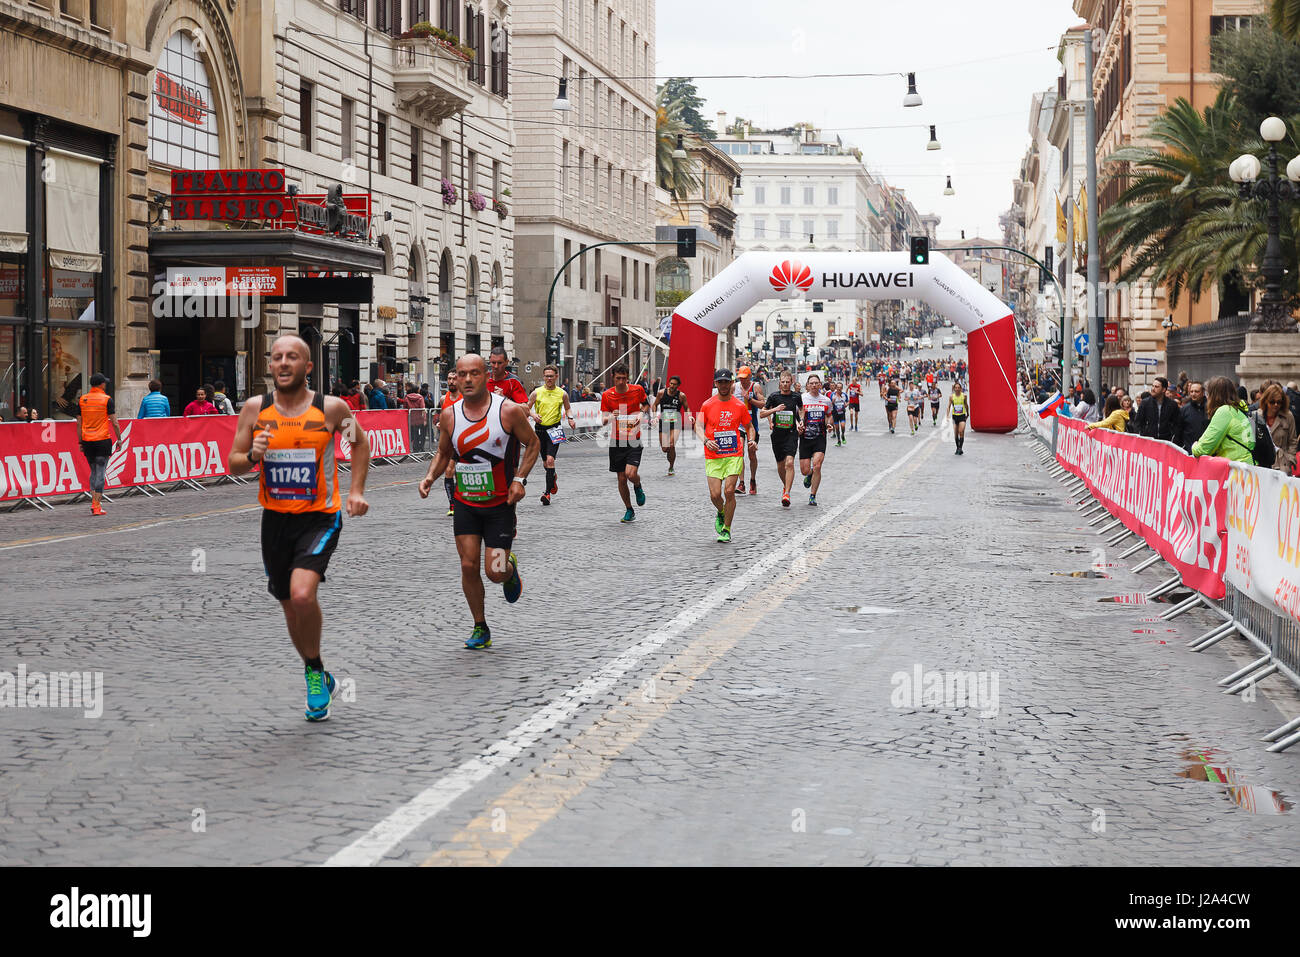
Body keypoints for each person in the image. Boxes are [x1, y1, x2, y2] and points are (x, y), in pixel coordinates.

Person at [228, 335, 371, 721]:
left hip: (320, 516)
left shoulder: (331, 408)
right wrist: (252, 456)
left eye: (293, 357)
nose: (284, 363)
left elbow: (360, 442)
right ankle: (317, 668)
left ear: (308, 367)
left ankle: (311, 674)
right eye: (277, 358)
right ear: (270, 367)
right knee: (290, 606)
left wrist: (356, 490)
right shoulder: (255, 409)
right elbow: (233, 462)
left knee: (303, 595)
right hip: (274, 519)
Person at [418, 354, 538, 650]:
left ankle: (508, 569)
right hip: (466, 503)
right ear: (456, 379)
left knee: (493, 572)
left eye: (474, 373)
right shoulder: (449, 414)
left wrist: (519, 480)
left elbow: (533, 443)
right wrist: (430, 477)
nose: (468, 379)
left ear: (486, 376)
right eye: (462, 374)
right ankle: (480, 626)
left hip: (500, 505)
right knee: (468, 565)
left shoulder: (507, 411)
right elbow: (444, 452)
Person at [694, 368, 756, 543]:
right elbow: (698, 426)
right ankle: (721, 512)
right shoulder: (707, 404)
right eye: (719, 382)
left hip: (733, 454)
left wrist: (751, 440)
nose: (723, 385)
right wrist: (706, 441)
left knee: (729, 491)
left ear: (731, 383)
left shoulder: (739, 405)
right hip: (713, 454)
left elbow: (749, 427)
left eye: (726, 382)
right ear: (716, 384)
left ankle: (726, 529)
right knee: (715, 495)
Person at [600, 363, 649, 523]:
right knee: (621, 478)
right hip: (616, 441)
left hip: (634, 438)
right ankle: (629, 509)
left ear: (627, 378)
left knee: (630, 474)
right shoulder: (607, 395)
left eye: (624, 378)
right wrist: (610, 417)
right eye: (618, 378)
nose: (621, 381)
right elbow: (603, 420)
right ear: (613, 378)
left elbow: (646, 404)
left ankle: (637, 485)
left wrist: (641, 415)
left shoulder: (637, 390)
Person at [526, 364, 575, 505]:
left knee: (550, 460)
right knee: (545, 463)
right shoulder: (536, 392)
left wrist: (570, 418)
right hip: (540, 431)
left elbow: (568, 408)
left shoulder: (562, 393)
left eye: (551, 376)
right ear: (543, 377)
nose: (548, 378)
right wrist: (533, 415)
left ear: (556, 377)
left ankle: (547, 494)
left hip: (555, 430)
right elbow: (526, 407)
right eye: (546, 376)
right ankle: (552, 477)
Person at [76, 373, 122, 517]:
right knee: (101, 472)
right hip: (102, 439)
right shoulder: (107, 399)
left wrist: (80, 441)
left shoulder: (83, 399)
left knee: (94, 472)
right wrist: (119, 438)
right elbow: (114, 422)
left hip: (87, 440)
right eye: (105, 383)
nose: (106, 385)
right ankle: (96, 505)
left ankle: (94, 502)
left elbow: (79, 423)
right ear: (101, 384)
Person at [759, 369, 803, 507]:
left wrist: (801, 420)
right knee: (780, 465)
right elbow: (762, 414)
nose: (785, 384)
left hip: (791, 433)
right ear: (779, 383)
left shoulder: (796, 396)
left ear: (791, 382)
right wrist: (775, 410)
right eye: (782, 382)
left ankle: (787, 493)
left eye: (787, 382)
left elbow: (801, 409)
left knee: (789, 463)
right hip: (777, 435)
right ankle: (786, 486)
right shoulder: (773, 396)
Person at [1192, 376, 1255, 463]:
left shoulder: (1225, 411)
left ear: (1213, 396)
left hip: (1236, 470)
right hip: (1244, 467)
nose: (1207, 398)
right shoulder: (1236, 409)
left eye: (1208, 394)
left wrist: (1194, 446)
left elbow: (1204, 448)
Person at [798, 374, 833, 506]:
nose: (814, 385)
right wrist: (798, 426)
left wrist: (829, 424)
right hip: (805, 437)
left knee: (817, 465)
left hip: (820, 437)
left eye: (816, 383)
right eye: (811, 383)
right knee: (805, 470)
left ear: (820, 385)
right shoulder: (801, 399)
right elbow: (796, 416)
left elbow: (829, 415)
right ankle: (809, 474)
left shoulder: (826, 400)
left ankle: (813, 495)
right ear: (807, 385)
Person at [735, 366, 764, 494]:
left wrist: (749, 399)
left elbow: (763, 404)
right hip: (738, 425)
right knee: (739, 452)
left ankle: (752, 480)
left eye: (745, 378)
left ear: (750, 377)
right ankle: (741, 483)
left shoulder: (755, 387)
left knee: (751, 454)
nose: (742, 381)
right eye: (740, 378)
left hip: (752, 426)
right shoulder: (734, 387)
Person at [652, 375, 690, 476]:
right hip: (664, 422)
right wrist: (655, 416)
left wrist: (689, 416)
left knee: (672, 444)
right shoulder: (661, 393)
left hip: (675, 422)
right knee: (665, 448)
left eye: (674, 384)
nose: (672, 386)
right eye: (671, 384)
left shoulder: (681, 396)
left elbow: (687, 408)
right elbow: (654, 405)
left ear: (678, 386)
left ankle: (671, 466)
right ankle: (669, 452)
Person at [1258, 383, 1297, 474]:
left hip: (1282, 466)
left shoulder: (1288, 416)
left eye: (1279, 402)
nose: (1276, 405)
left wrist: (1289, 459)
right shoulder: (1257, 416)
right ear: (1266, 401)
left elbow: (1293, 441)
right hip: (1262, 466)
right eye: (1272, 402)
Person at [439, 370, 462, 516]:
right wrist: (440, 424)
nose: (451, 382)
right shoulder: (443, 399)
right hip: (449, 440)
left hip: (463, 440)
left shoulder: (465, 398)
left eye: (454, 379)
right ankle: (452, 505)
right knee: (449, 471)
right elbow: (443, 417)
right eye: (449, 379)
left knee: (460, 472)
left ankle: (462, 502)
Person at [1134, 376, 1178, 441]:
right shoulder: (1145, 403)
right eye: (1152, 386)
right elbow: (1138, 423)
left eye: (1156, 387)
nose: (1153, 389)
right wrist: (1142, 437)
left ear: (1163, 390)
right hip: (1148, 442)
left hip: (1166, 443)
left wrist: (1173, 439)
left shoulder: (1172, 404)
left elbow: (1177, 424)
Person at [1177, 381, 1209, 453]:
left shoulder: (1210, 409)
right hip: (1189, 451)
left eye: (1196, 391)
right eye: (1191, 391)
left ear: (1203, 392)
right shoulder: (1184, 410)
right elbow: (1179, 431)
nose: (1193, 394)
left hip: (1207, 452)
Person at [405, 381, 428, 453]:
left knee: (414, 433)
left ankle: (415, 448)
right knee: (422, 433)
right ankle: (421, 447)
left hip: (411, 418)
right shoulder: (420, 397)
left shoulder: (406, 397)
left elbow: (405, 408)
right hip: (420, 418)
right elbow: (423, 408)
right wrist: (424, 419)